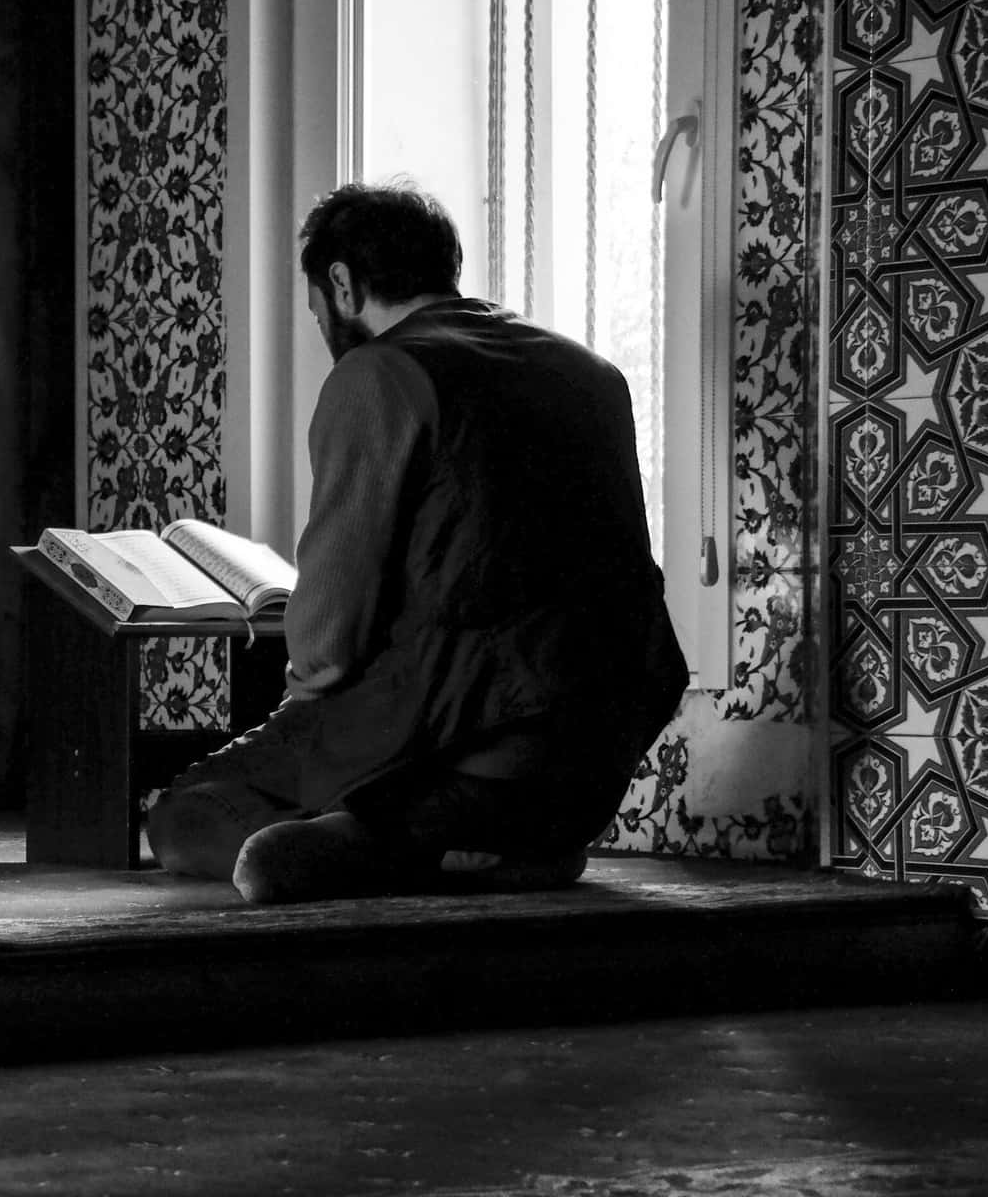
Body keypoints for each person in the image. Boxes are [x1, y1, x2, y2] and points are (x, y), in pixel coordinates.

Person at [145, 181, 689, 904]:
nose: (322, 327)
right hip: (594, 758)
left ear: (340, 282)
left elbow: (330, 638)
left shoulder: (380, 373)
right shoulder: (591, 372)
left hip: (461, 739)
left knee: (184, 811)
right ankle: (504, 851)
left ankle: (387, 853)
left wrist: (304, 712)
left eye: (316, 310)